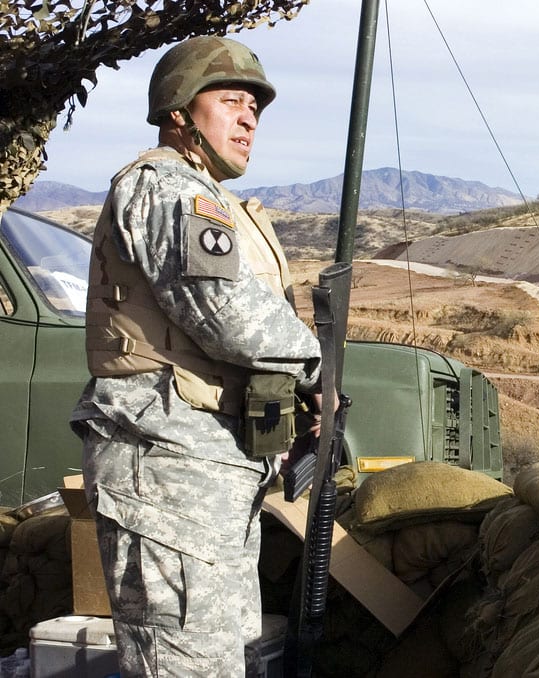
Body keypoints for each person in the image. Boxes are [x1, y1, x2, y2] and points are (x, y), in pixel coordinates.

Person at [70, 36, 322, 677]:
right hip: (165, 464)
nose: (248, 118)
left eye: (255, 107)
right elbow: (223, 312)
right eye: (231, 100)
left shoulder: (214, 201)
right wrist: (317, 366)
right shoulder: (168, 190)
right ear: (179, 111)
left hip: (211, 470)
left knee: (227, 658)